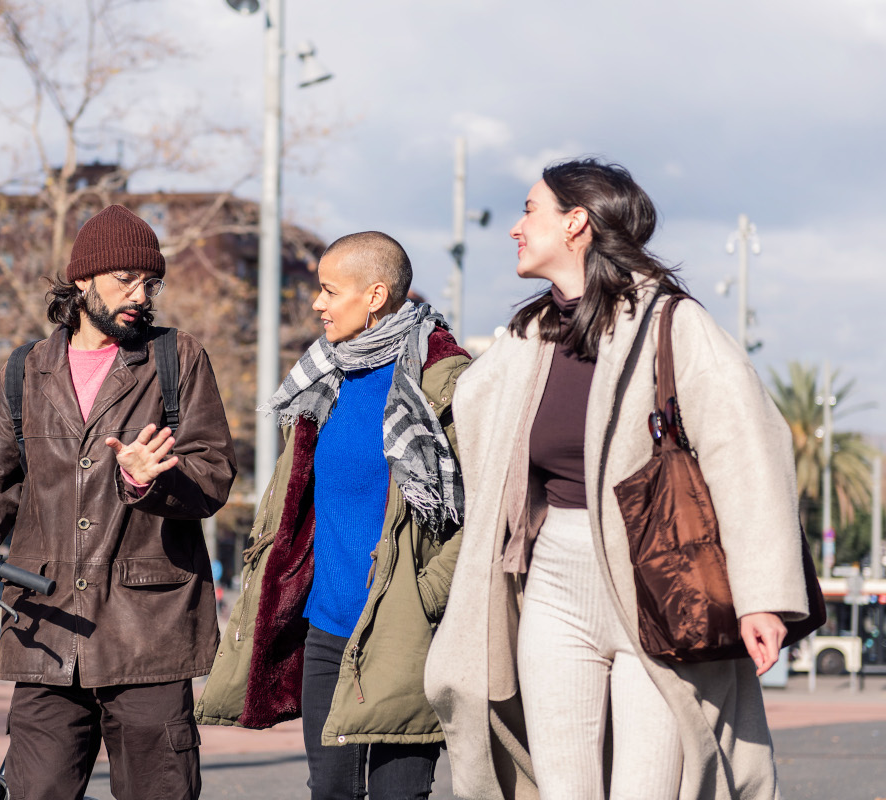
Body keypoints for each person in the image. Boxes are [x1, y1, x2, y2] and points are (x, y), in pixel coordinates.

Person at [424, 159, 812, 800]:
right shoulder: (531, 334)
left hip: (656, 587)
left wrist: (761, 596)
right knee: (563, 788)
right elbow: (471, 423)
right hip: (553, 581)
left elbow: (748, 450)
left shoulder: (673, 324)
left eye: (530, 210)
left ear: (575, 223)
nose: (516, 227)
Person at [0, 204, 237, 800]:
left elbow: (212, 476)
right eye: (125, 280)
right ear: (82, 280)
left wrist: (149, 481)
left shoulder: (177, 359)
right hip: (45, 631)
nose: (141, 294)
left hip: (148, 640)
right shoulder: (26, 371)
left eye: (150, 282)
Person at [196, 231, 471, 799]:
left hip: (402, 631)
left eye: (328, 290)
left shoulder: (444, 380)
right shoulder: (326, 377)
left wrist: (425, 595)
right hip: (327, 628)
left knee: (400, 794)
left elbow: (479, 511)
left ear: (374, 295)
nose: (317, 304)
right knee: (330, 794)